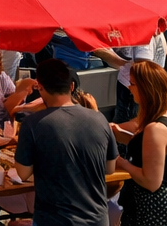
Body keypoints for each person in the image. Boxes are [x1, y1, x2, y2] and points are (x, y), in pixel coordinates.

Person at [14, 58, 118, 226]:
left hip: (54, 219)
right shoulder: (100, 119)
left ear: (40, 87)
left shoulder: (33, 124)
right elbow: (109, 168)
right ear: (71, 86)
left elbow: (23, 173)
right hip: (97, 219)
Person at [115, 60, 167, 226]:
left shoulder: (155, 129)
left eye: (132, 83)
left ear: (146, 88)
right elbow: (162, 154)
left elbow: (151, 182)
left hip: (155, 210)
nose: (129, 87)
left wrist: (120, 162)